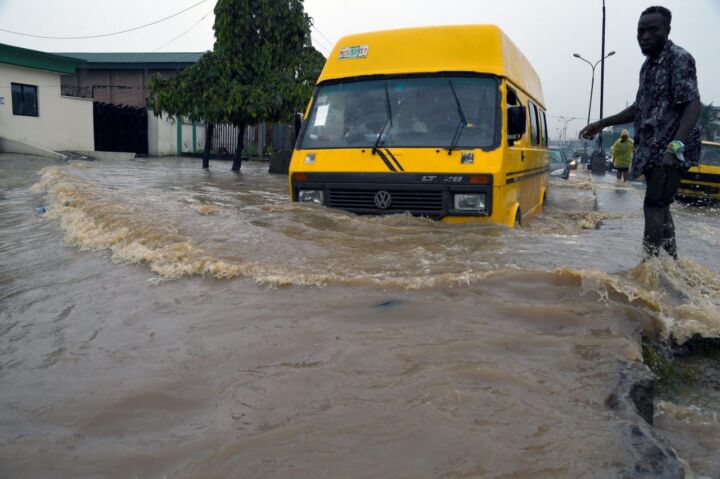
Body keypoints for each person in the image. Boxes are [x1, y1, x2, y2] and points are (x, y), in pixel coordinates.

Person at [579, 6, 701, 259]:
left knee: (653, 206)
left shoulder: (678, 58)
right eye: (641, 31)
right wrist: (601, 123)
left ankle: (648, 269)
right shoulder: (648, 66)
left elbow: (692, 104)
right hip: (651, 149)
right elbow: (638, 108)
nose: (645, 36)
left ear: (667, 31)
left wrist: (675, 146)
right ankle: (671, 264)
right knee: (661, 206)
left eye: (652, 30)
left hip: (669, 149)